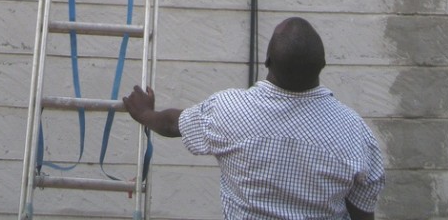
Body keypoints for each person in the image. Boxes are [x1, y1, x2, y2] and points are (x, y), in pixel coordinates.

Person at [123, 17, 385, 220]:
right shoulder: (355, 132)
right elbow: (362, 213)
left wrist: (145, 113)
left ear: (267, 61)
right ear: (323, 64)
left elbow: (171, 124)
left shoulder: (228, 110)